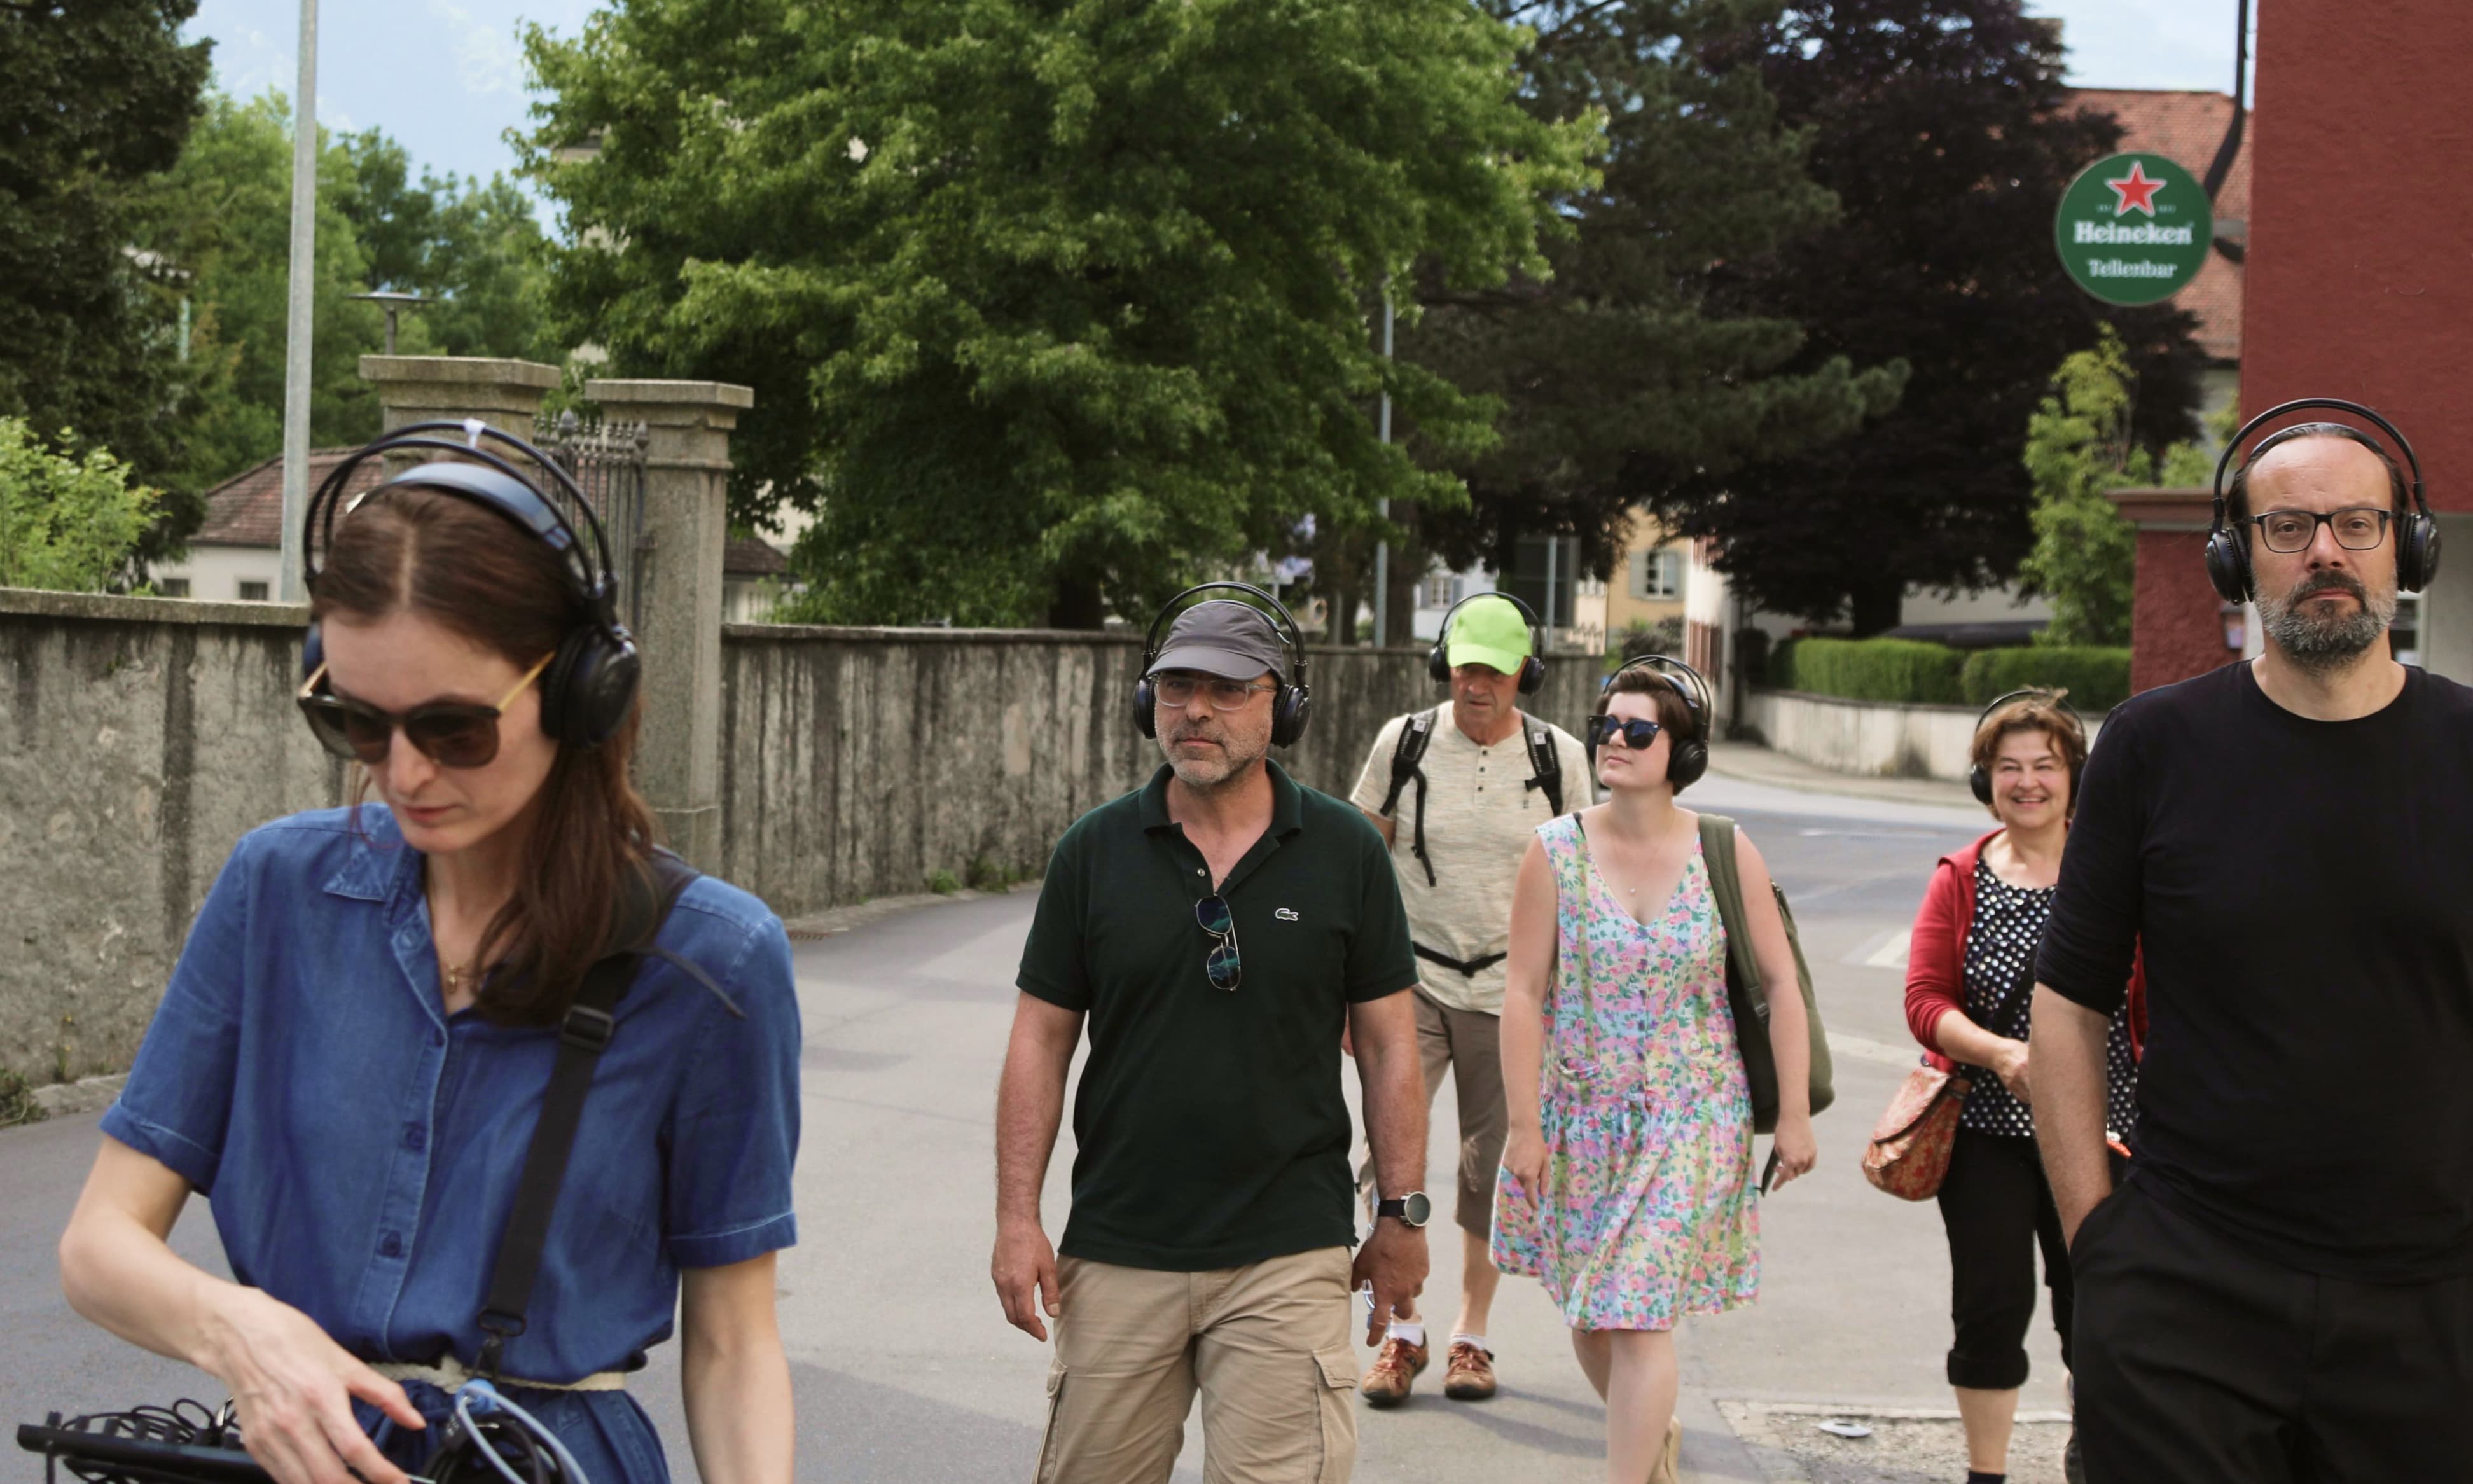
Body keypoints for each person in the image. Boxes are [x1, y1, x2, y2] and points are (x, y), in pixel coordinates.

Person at [57, 430, 801, 1484]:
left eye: (454, 728)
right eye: (359, 722)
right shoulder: (276, 890)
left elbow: (733, 1344)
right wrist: (240, 1331)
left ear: (580, 690)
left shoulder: (713, 960)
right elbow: (99, 1244)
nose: (403, 774)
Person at [2033, 410, 2473, 1479]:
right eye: (2287, 526)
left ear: (2406, 547)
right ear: (2235, 558)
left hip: (2433, 1304)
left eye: (2357, 522)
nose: (2325, 550)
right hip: (2187, 1291)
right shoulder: (2152, 743)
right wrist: (2098, 1249)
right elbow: (2069, 999)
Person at [991, 587, 1430, 1484]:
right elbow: (1040, 1040)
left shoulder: (1346, 852)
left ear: (1285, 708)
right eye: (1177, 685)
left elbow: (1391, 1047)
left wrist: (1400, 1214)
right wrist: (1015, 1217)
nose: (1196, 709)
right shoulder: (1093, 852)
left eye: (1229, 688)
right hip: (1119, 1242)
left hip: (1289, 1246)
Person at [1495, 662, 1817, 1484]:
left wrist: (1794, 1115)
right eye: (1607, 724)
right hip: (1581, 1120)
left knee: (1636, 1311)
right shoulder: (1554, 851)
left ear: (1684, 752)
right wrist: (1525, 1125)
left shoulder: (1724, 849)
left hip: (1695, 1119)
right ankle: (1651, 1440)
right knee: (1591, 1314)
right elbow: (1523, 993)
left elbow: (1780, 984)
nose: (1616, 739)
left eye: (1639, 730)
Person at [1347, 592, 1593, 1407]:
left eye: (1494, 671)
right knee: (1392, 1156)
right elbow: (1359, 862)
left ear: (1527, 673)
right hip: (1408, 982)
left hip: (1510, 992)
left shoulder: (1558, 757)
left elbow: (1581, 882)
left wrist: (1574, 1000)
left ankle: (1471, 1334)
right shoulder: (1406, 742)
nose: (1476, 685)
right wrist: (1345, 988)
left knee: (1489, 1168)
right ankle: (1404, 1329)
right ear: (1442, 666)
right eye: (1463, 669)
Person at [1904, 693, 2141, 1484]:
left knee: (2100, 1310)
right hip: (1986, 1135)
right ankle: (1987, 1473)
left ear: (2075, 777)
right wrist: (2001, 1054)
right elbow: (1926, 999)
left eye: (2045, 764)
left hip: (2107, 1131)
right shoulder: (1962, 877)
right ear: (1985, 780)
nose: (2028, 781)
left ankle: (2094, 1455)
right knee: (1990, 1309)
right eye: (2009, 766)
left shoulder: (2115, 875)